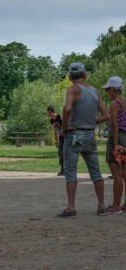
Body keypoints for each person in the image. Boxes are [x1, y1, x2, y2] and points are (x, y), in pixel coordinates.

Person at [56, 62, 109, 217]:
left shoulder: (73, 89)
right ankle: (101, 206)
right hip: (89, 134)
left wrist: (65, 127)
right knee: (95, 171)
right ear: (84, 75)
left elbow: (67, 108)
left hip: (75, 135)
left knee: (71, 171)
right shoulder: (94, 92)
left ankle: (71, 207)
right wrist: (93, 121)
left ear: (70, 76)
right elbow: (105, 115)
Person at [102, 76, 126, 214]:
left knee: (116, 173)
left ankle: (116, 205)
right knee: (125, 173)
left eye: (107, 90)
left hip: (116, 138)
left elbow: (115, 126)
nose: (107, 93)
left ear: (112, 89)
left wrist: (116, 144)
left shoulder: (114, 104)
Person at [47, 106, 65, 176]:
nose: (47, 114)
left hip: (66, 137)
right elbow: (54, 131)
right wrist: (56, 141)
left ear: (50, 112)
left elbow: (68, 124)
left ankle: (67, 170)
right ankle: (62, 170)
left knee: (65, 153)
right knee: (60, 153)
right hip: (60, 138)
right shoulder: (51, 121)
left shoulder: (60, 116)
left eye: (47, 113)